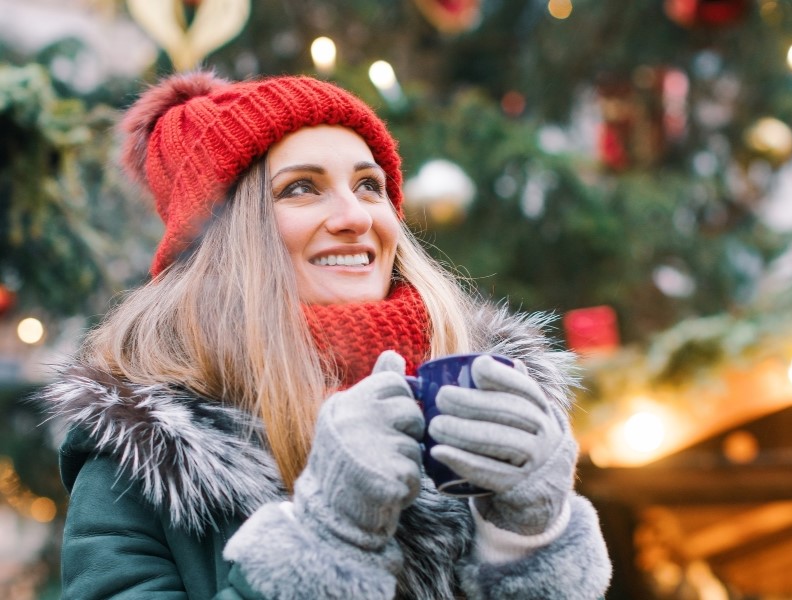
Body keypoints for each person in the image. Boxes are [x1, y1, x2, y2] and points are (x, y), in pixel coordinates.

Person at [41, 70, 612, 599]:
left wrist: (532, 539)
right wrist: (325, 538)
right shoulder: (141, 460)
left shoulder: (479, 393)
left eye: (370, 185)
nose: (356, 216)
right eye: (300, 189)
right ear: (224, 239)